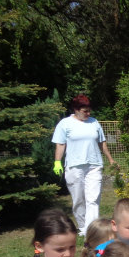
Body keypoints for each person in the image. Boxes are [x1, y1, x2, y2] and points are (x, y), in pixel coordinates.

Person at [51, 94, 116, 236]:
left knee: (93, 198)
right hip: (74, 166)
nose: (88, 113)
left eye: (89, 110)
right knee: (78, 199)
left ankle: (91, 228)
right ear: (76, 110)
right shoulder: (65, 124)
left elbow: (102, 142)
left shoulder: (94, 122)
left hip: (94, 165)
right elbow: (60, 144)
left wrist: (110, 159)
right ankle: (82, 226)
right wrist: (57, 162)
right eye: (85, 111)